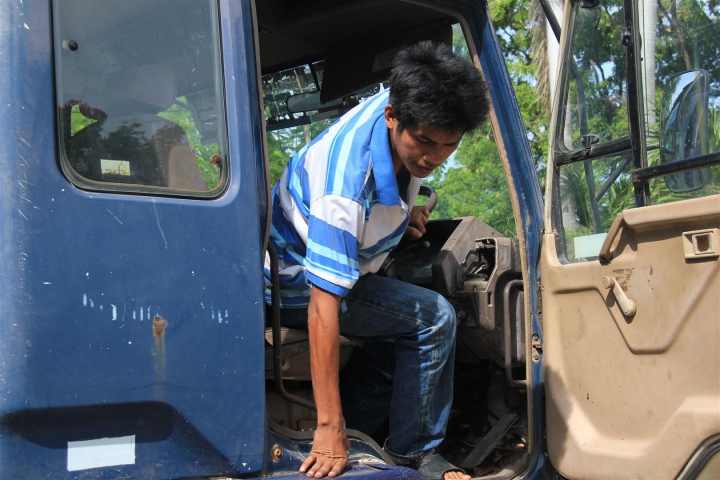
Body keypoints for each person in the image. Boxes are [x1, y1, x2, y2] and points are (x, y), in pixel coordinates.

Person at [266, 41, 490, 479]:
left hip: (339, 266)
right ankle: (414, 455)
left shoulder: (410, 106)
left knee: (394, 347)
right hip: (293, 282)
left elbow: (386, 189)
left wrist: (401, 217)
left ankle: (360, 438)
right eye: (424, 142)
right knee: (433, 319)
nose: (433, 158)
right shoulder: (344, 184)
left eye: (449, 145)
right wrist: (329, 430)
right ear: (391, 116)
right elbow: (322, 306)